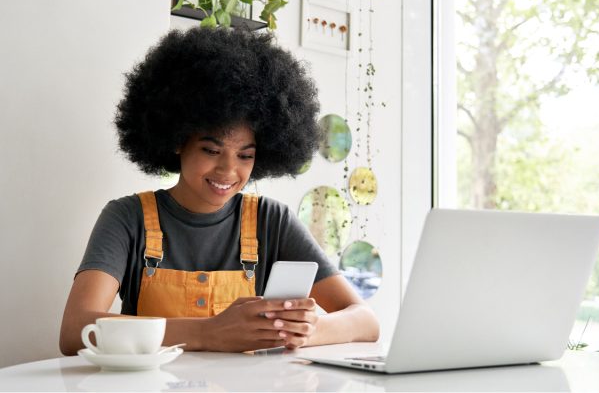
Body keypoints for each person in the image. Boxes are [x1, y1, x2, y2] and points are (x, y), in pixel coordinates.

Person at [59, 26, 380, 355]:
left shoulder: (272, 220)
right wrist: (210, 332)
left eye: (245, 155)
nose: (228, 171)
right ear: (177, 141)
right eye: (211, 151)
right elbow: (75, 331)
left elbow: (366, 322)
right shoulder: (128, 218)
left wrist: (306, 331)